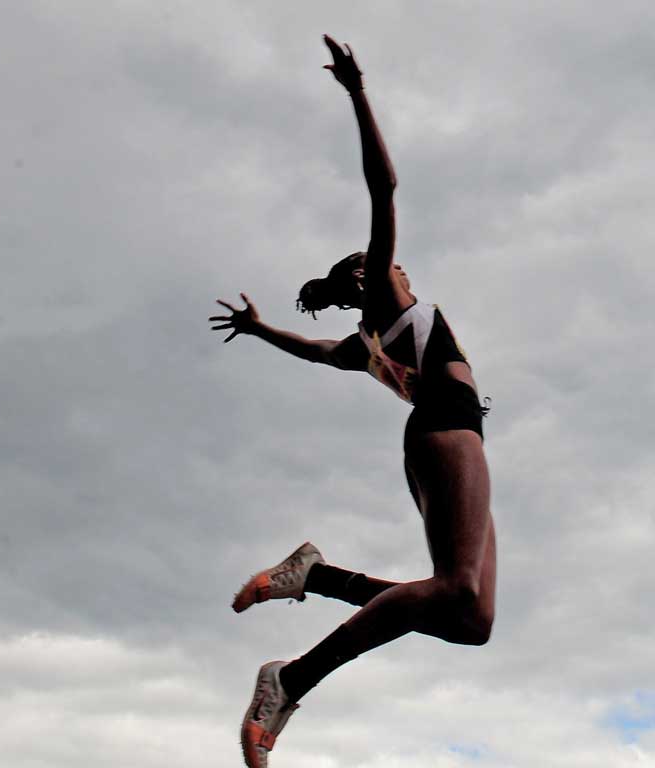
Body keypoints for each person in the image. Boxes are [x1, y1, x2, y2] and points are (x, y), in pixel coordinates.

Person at [209, 35, 496, 768]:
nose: (401, 264)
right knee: (456, 585)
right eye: (385, 263)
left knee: (470, 620)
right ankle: (290, 680)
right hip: (443, 432)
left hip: (448, 438)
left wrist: (260, 327)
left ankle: (317, 576)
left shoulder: (361, 341)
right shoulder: (387, 301)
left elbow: (310, 350)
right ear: (368, 273)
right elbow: (385, 189)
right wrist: (357, 93)